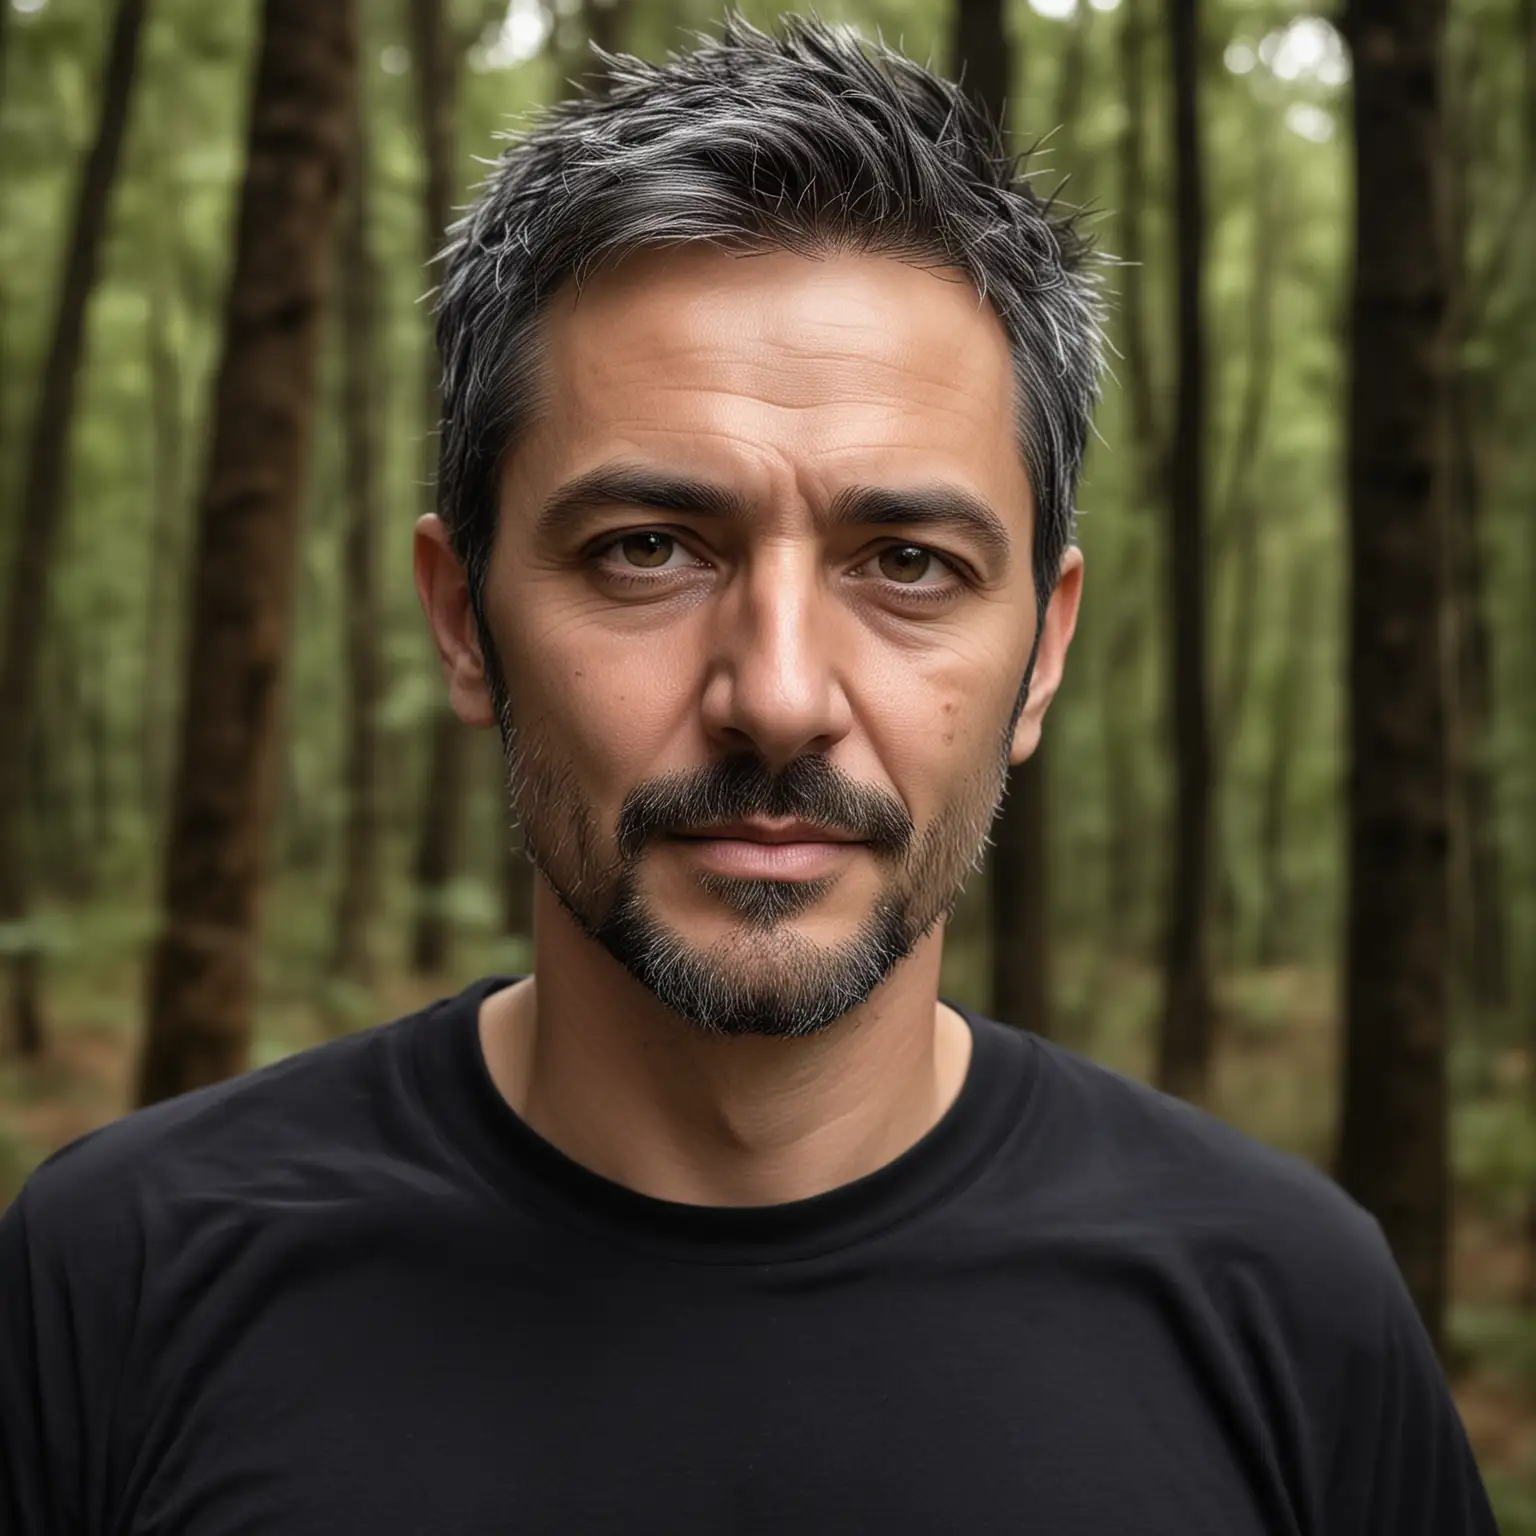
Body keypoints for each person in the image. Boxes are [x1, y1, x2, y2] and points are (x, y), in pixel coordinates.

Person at [0, 15, 1497, 1534]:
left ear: (1042, 653)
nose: (777, 698)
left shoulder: (1291, 1314)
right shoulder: (117, 1280)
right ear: (464, 623)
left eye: (907, 562)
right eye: (647, 550)